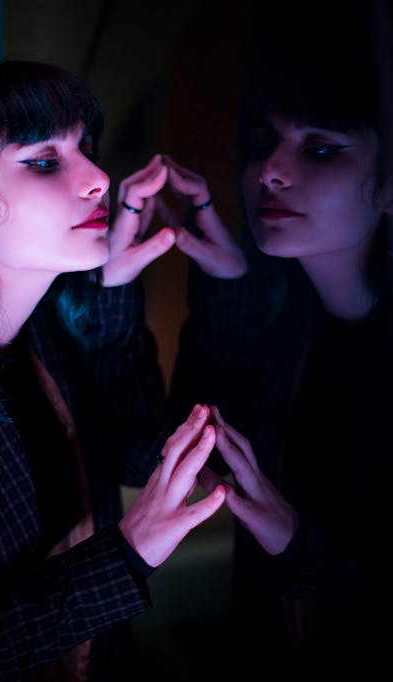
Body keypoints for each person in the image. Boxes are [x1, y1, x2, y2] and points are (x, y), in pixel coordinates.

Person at [0, 59, 227, 681]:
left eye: (87, 148)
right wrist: (126, 557)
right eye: (44, 161)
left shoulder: (46, 331)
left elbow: (137, 452)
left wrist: (138, 288)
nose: (99, 177)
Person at [166, 51, 393, 680]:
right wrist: (227, 281)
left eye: (321, 150)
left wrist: (295, 544)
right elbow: (180, 452)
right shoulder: (281, 320)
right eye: (263, 143)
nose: (270, 171)